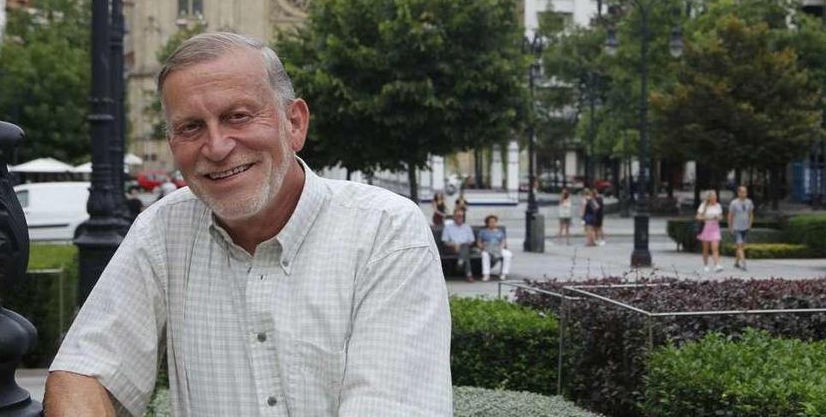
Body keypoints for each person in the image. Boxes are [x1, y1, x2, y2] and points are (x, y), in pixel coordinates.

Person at [44, 33, 452, 416]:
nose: (217, 146)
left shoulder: (386, 232)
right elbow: (84, 371)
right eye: (191, 127)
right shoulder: (164, 230)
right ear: (172, 144)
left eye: (237, 116)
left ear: (294, 123)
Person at [442, 208, 476, 282]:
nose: (459, 217)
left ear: (463, 217)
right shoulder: (448, 227)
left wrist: (461, 245)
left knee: (465, 248)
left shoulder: (467, 227)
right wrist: (454, 245)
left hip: (464, 247)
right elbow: (445, 241)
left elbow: (471, 241)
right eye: (458, 216)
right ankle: (466, 270)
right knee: (465, 252)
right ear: (454, 216)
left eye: (461, 216)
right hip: (451, 248)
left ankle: (461, 262)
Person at [477, 215, 512, 281]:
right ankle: (486, 274)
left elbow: (503, 242)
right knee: (485, 255)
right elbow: (479, 243)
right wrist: (482, 247)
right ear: (487, 223)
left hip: (497, 248)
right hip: (487, 248)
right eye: (491, 222)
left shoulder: (500, 232)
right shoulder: (483, 232)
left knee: (508, 254)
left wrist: (500, 248)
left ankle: (504, 273)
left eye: (494, 222)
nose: (493, 223)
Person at [728, 185, 754, 271]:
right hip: (737, 227)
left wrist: (750, 224)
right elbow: (730, 215)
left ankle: (736, 262)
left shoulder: (749, 202)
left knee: (741, 246)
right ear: (738, 193)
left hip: (745, 227)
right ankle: (743, 263)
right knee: (739, 245)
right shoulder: (734, 203)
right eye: (742, 192)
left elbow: (750, 214)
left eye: (745, 192)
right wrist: (730, 226)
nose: (744, 193)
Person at [696, 189, 724, 272]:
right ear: (709, 197)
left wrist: (718, 218)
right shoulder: (704, 205)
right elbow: (698, 217)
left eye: (715, 196)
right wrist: (707, 218)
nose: (715, 198)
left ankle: (717, 265)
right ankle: (706, 265)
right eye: (713, 196)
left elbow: (720, 216)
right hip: (706, 228)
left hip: (715, 228)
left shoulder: (718, 206)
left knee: (715, 248)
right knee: (706, 249)